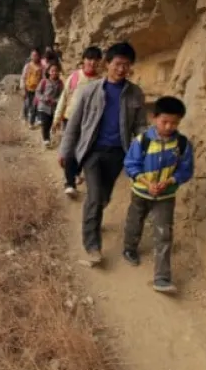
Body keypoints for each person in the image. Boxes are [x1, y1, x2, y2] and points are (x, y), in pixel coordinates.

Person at [59, 41, 147, 265]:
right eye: (117, 64)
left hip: (118, 153)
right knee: (95, 196)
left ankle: (95, 217)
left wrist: (144, 146)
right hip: (92, 151)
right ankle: (92, 246)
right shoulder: (91, 90)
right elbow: (75, 124)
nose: (121, 69)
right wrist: (66, 151)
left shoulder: (135, 93)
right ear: (107, 64)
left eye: (126, 65)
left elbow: (140, 125)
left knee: (104, 196)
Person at [122, 96, 194, 294]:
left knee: (164, 233)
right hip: (140, 192)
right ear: (154, 118)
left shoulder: (182, 144)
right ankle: (129, 248)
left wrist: (170, 181)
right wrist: (147, 183)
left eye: (175, 122)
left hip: (165, 196)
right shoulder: (142, 141)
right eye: (165, 121)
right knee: (135, 220)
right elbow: (130, 165)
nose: (169, 126)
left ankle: (162, 278)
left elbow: (186, 170)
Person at [52, 46, 103, 197]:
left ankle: (75, 173)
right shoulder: (74, 77)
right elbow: (64, 97)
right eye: (89, 59)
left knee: (82, 150)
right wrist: (57, 118)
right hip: (70, 119)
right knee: (69, 151)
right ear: (84, 60)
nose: (92, 63)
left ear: (99, 62)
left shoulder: (100, 82)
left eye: (95, 60)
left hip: (89, 123)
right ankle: (69, 183)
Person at [35, 63, 63, 148]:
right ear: (49, 72)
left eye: (56, 71)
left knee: (51, 123)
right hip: (44, 107)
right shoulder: (44, 81)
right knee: (45, 124)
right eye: (52, 71)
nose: (54, 72)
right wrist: (44, 98)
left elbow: (62, 95)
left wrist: (57, 100)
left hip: (54, 108)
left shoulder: (60, 83)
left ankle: (49, 138)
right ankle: (46, 140)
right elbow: (38, 92)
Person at [19, 49, 43, 127]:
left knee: (34, 105)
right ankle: (24, 117)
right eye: (32, 55)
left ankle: (31, 122)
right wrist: (22, 88)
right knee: (26, 104)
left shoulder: (41, 67)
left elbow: (43, 78)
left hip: (37, 90)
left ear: (38, 56)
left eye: (35, 55)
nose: (34, 57)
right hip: (28, 88)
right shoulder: (27, 66)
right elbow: (23, 77)